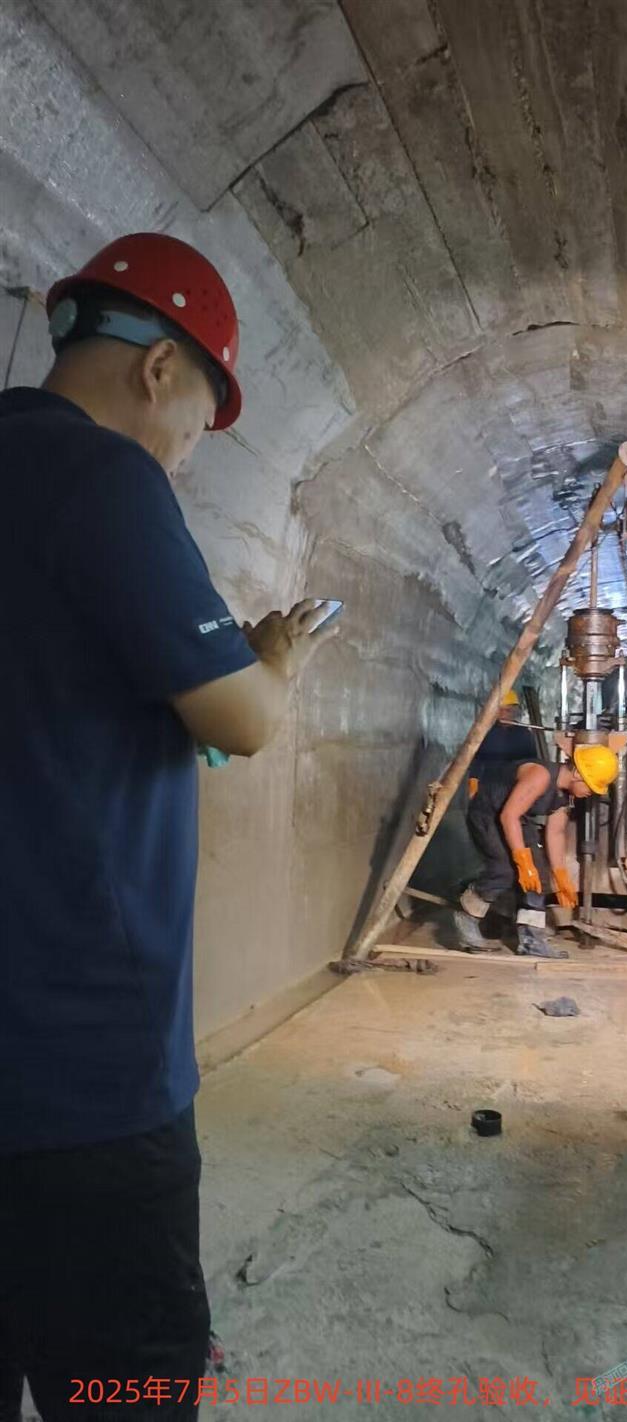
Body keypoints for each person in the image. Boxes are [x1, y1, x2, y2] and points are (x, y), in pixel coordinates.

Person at [0, 233, 336, 1420]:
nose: (191, 452)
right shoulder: (105, 479)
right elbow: (239, 721)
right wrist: (275, 660)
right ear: (156, 369)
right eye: (201, 416)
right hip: (85, 1079)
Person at [454, 746, 620, 957]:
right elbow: (508, 816)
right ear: (578, 773)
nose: (592, 792)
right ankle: (466, 917)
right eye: (591, 784)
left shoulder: (565, 795)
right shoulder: (540, 776)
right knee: (504, 870)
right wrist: (522, 861)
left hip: (516, 818)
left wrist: (560, 875)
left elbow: (556, 833)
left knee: (539, 875)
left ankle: (532, 940)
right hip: (487, 814)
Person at [467, 689, 535, 798]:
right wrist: (473, 781)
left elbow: (531, 763)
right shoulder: (486, 732)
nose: (503, 714)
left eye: (507, 710)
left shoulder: (524, 734)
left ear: (515, 711)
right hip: (488, 788)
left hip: (513, 789)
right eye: (499, 710)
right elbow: (477, 759)